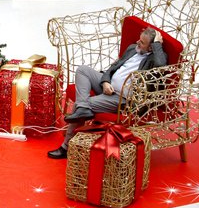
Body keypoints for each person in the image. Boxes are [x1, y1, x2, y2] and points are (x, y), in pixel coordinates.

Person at [47, 27, 167, 160]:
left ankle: (66, 147)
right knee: (83, 70)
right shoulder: (133, 48)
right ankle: (83, 108)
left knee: (82, 105)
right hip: (107, 85)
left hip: (122, 98)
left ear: (151, 47)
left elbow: (161, 64)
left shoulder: (154, 59)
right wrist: (105, 81)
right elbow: (113, 67)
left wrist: (157, 45)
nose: (138, 42)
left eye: (142, 42)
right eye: (139, 39)